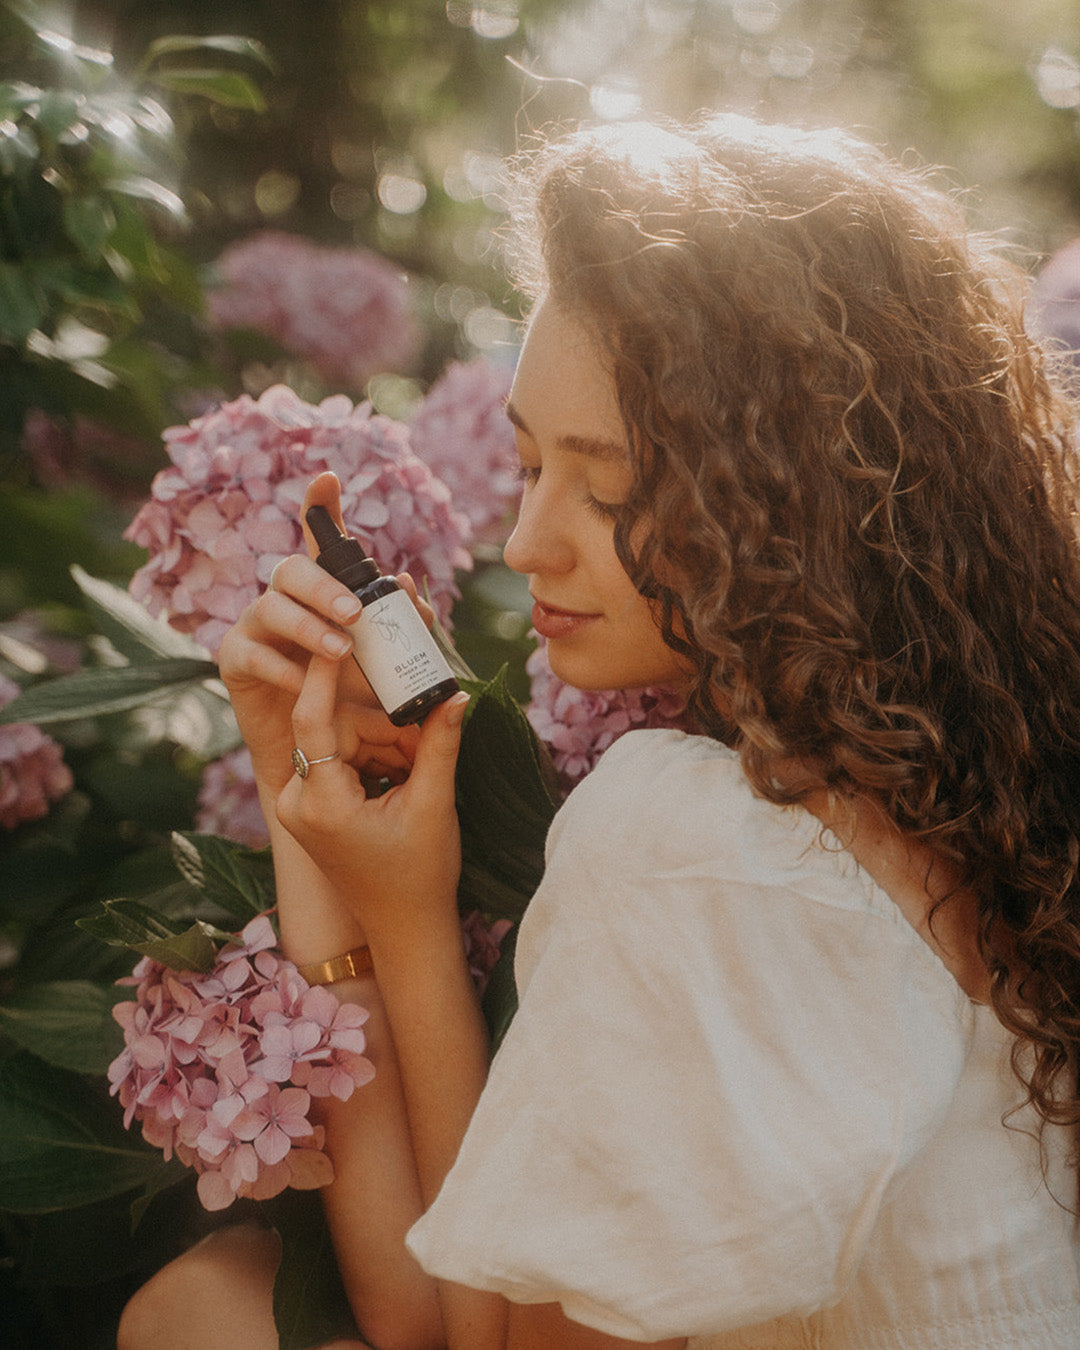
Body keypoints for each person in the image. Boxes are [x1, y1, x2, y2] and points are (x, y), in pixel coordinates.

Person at [118, 114, 1080, 1350]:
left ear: (797, 503)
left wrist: (399, 910)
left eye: (610, 487)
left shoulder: (705, 844)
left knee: (200, 1308)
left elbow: (449, 1328)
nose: (526, 547)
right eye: (526, 469)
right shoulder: (987, 773)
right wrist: (315, 803)